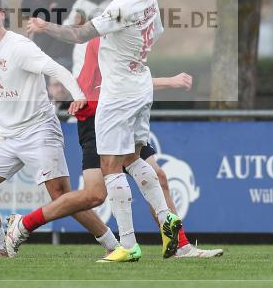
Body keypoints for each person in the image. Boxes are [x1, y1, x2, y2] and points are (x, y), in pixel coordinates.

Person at [10, 0, 177, 262]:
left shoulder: (122, 8)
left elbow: (78, 34)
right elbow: (154, 33)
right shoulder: (150, 4)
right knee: (136, 161)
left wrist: (46, 27)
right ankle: (172, 230)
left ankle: (127, 245)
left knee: (110, 170)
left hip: (114, 97)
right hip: (138, 88)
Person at [0, 0, 120, 258]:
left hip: (38, 130)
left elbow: (57, 70)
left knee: (61, 197)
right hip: (8, 136)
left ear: (2, 14)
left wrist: (79, 95)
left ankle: (114, 246)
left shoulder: (19, 47)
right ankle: (2, 249)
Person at [62, 36, 224, 259]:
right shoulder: (103, 40)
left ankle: (176, 244)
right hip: (97, 117)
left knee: (157, 174)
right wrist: (170, 81)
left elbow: (133, 79)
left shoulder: (132, 34)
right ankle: (24, 225)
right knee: (95, 194)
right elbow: (109, 81)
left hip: (125, 110)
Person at [64, 0, 120, 76]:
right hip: (83, 60)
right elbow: (67, 28)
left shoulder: (120, 0)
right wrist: (73, 25)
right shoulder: (82, 2)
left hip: (111, 60)